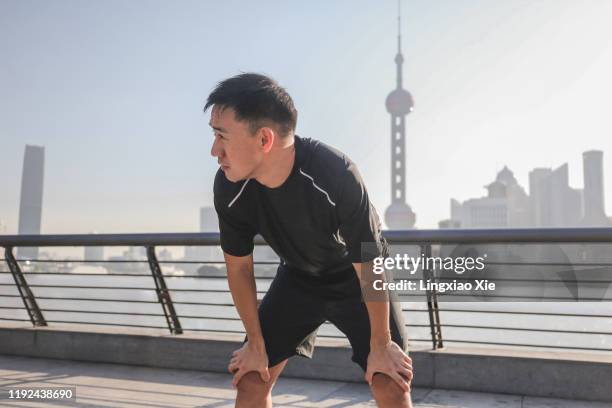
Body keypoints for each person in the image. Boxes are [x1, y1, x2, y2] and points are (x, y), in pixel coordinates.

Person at [207, 73, 413, 408]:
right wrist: (255, 344)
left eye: (222, 136)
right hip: (298, 278)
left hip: (356, 278)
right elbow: (240, 269)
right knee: (250, 381)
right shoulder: (230, 187)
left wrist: (382, 344)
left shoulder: (335, 174)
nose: (215, 150)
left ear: (264, 139)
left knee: (390, 383)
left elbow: (369, 259)